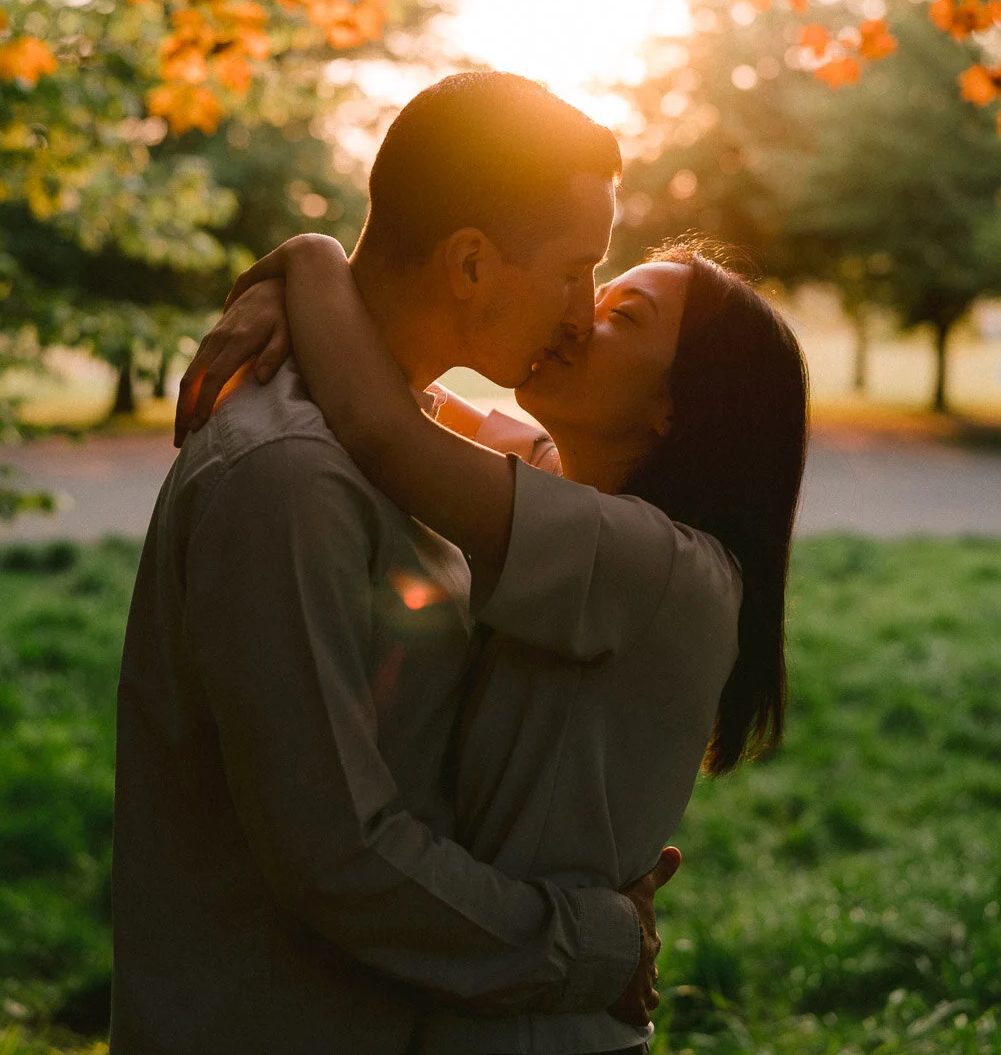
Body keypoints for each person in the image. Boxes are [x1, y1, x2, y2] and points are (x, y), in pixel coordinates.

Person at [111, 72, 676, 1055]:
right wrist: (590, 944)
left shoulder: (407, 430)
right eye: (575, 268)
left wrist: (304, 261)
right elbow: (333, 853)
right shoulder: (291, 480)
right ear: (468, 265)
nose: (582, 311)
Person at [176, 226, 809, 1055]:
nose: (581, 314)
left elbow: (384, 428)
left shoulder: (652, 562)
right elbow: (410, 390)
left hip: (534, 1026)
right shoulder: (568, 488)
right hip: (503, 997)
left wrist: (308, 257)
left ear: (677, 405)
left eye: (625, 313)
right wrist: (284, 299)